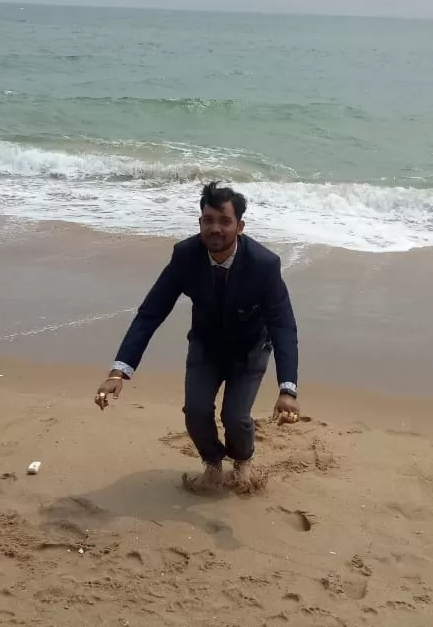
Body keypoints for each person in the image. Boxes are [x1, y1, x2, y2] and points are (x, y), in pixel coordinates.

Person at [94, 182, 300, 492]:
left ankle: (243, 461)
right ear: (200, 222)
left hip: (250, 349)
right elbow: (151, 312)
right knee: (196, 412)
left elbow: (283, 325)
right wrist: (119, 371)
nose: (215, 228)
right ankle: (213, 464)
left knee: (236, 417)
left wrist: (288, 389)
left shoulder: (264, 265)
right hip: (206, 345)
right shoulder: (185, 255)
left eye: (224, 221)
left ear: (240, 226)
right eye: (208, 220)